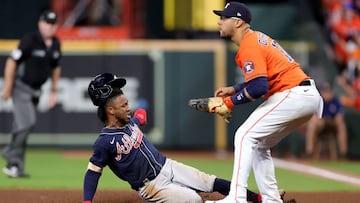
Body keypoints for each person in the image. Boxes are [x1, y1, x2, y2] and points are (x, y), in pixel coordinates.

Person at [83, 73, 266, 203]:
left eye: (127, 104)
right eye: (124, 105)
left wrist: (139, 117)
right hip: (151, 186)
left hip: (167, 165)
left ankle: (258, 198)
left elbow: (137, 121)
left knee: (209, 181)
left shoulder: (128, 122)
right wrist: (87, 201)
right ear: (110, 110)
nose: (128, 108)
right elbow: (93, 171)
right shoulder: (105, 141)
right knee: (193, 199)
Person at [205, 2, 323, 203]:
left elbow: (260, 88)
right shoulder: (254, 39)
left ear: (238, 22)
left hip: (294, 93)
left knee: (244, 136)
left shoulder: (249, 44)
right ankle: (271, 200)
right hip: (303, 94)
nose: (219, 21)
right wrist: (234, 90)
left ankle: (236, 197)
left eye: (224, 18)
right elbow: (262, 79)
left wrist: (230, 103)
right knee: (258, 144)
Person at [1, 10, 61, 177]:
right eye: (46, 23)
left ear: (56, 26)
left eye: (52, 24)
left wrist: (54, 91)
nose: (49, 27)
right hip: (21, 88)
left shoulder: (55, 44)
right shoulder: (30, 40)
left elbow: (56, 67)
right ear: (40, 24)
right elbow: (12, 61)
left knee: (21, 127)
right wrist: (7, 87)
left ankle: (15, 166)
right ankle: (9, 152)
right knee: (27, 123)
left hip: (36, 91)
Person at [306, 82, 348, 159]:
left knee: (342, 126)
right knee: (312, 124)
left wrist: (333, 120)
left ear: (332, 92)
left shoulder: (336, 102)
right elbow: (313, 117)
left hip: (333, 126)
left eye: (328, 92)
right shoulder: (318, 101)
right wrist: (320, 121)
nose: (327, 94)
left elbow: (339, 117)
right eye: (325, 92)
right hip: (321, 126)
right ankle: (310, 152)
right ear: (321, 92)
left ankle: (343, 153)